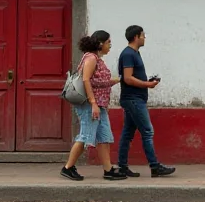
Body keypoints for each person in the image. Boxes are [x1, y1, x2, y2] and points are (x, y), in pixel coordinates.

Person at [60, 30, 126, 181]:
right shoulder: (91, 58)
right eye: (109, 42)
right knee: (85, 136)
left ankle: (108, 170)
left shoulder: (97, 58)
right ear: (100, 44)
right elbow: (86, 80)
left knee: (104, 137)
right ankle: (68, 168)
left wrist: (114, 81)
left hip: (99, 105)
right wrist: (93, 103)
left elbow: (98, 82)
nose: (110, 46)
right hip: (90, 105)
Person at [116, 25, 176, 178]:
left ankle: (122, 166)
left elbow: (133, 76)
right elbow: (128, 78)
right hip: (133, 99)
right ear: (136, 36)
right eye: (143, 35)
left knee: (128, 133)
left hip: (135, 98)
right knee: (147, 131)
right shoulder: (128, 54)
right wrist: (147, 85)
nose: (144, 38)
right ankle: (154, 166)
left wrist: (147, 81)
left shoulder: (134, 53)